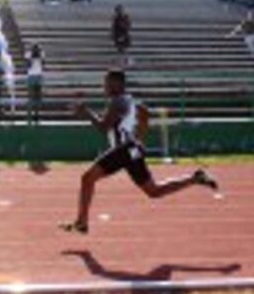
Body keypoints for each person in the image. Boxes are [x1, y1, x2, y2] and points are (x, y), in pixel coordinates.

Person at [60, 69, 219, 234]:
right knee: (153, 191)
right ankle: (194, 178)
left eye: (107, 82)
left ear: (117, 84)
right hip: (131, 149)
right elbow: (145, 114)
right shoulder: (131, 100)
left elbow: (103, 127)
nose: (104, 86)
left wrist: (86, 113)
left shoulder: (117, 102)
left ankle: (82, 222)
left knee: (87, 178)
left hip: (123, 150)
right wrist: (139, 139)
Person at [26, 43, 45, 123]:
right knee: (31, 96)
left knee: (38, 96)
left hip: (39, 75)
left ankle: (37, 114)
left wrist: (40, 57)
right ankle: (30, 114)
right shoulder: (28, 54)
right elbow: (28, 65)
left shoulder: (42, 54)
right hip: (31, 76)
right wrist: (32, 58)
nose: (36, 51)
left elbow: (43, 64)